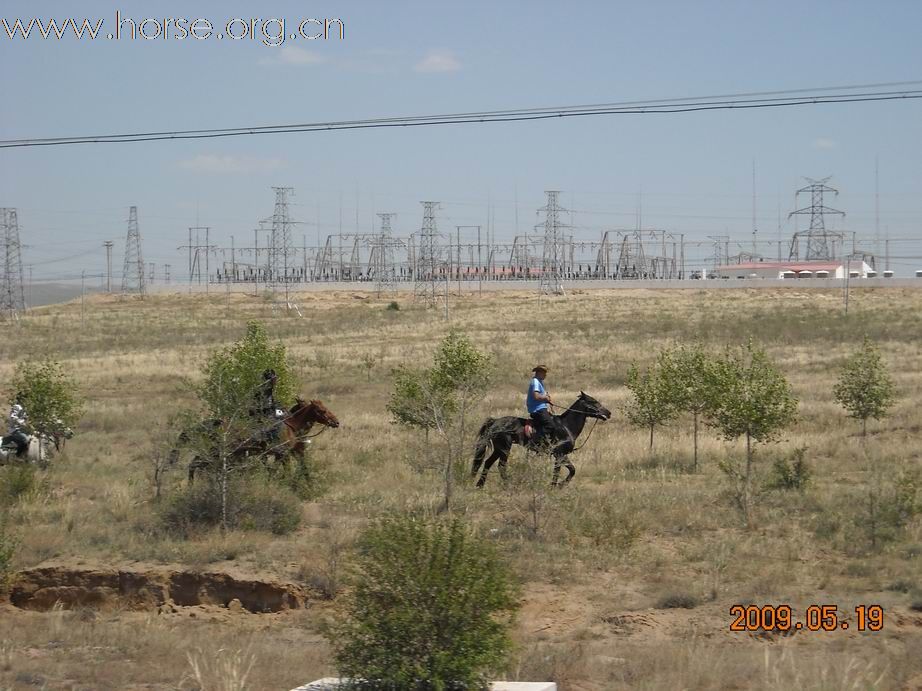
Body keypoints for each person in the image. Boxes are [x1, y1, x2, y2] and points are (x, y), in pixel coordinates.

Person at [525, 365, 565, 450]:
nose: (545, 375)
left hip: (540, 408)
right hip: (537, 409)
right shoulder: (535, 381)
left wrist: (547, 400)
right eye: (544, 373)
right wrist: (545, 398)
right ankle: (535, 442)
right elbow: (536, 396)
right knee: (550, 425)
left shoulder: (539, 382)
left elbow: (540, 396)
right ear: (539, 372)